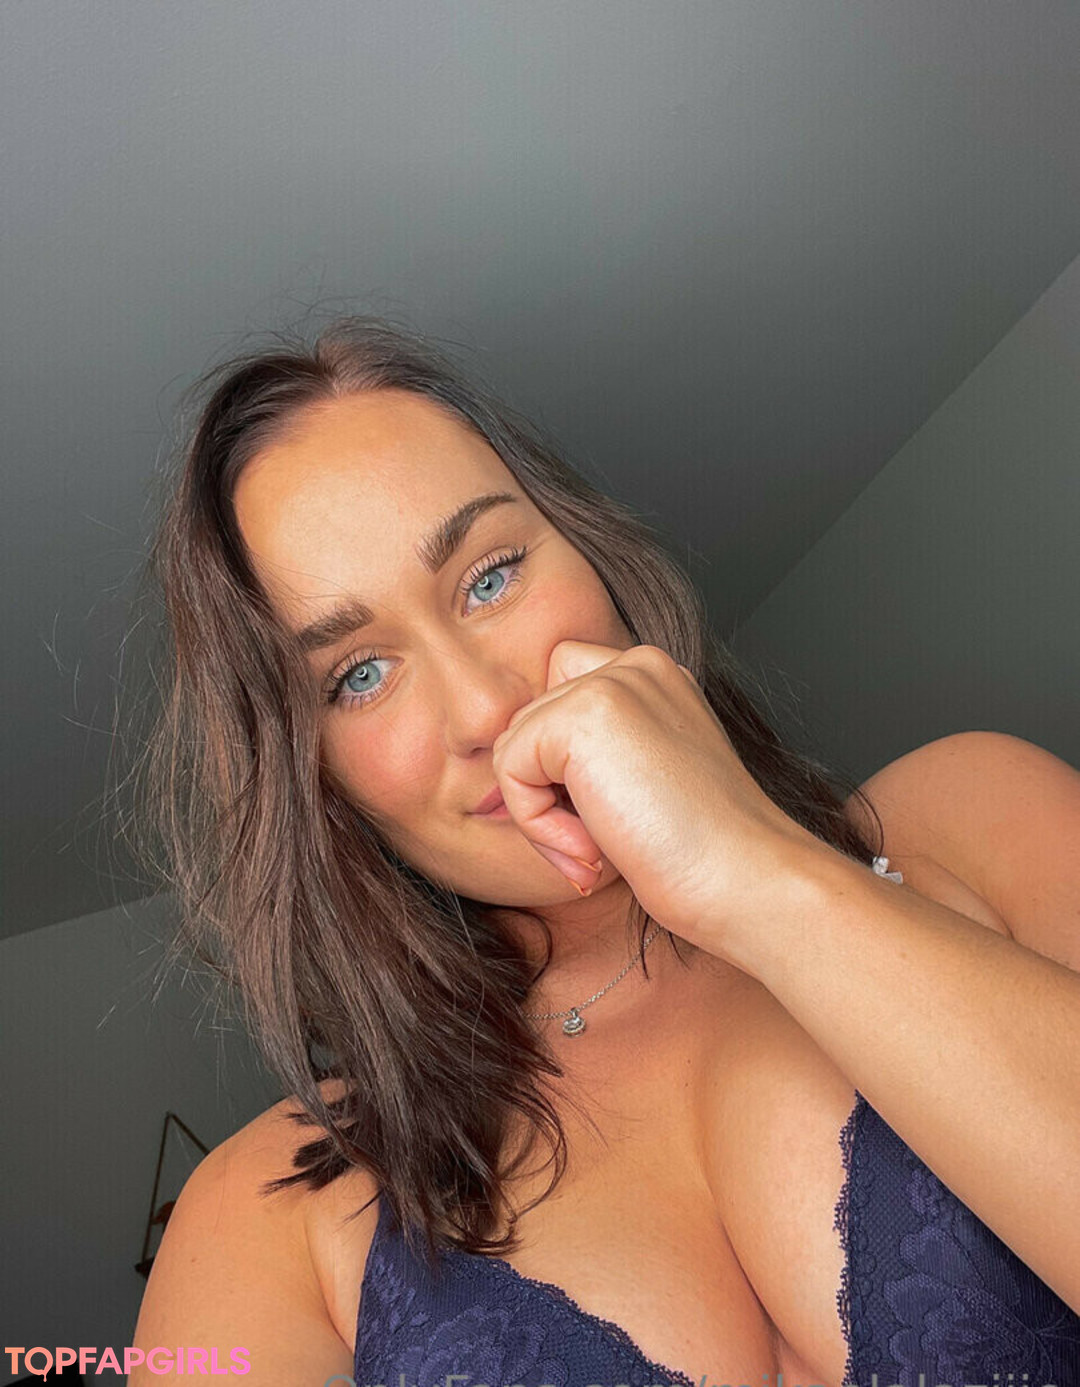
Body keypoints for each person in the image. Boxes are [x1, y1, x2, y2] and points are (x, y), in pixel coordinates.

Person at [128, 317, 1080, 1387]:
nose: (485, 705)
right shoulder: (262, 1218)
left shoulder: (975, 815)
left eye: (490, 577)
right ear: (320, 785)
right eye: (360, 675)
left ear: (591, 554)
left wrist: (758, 869)